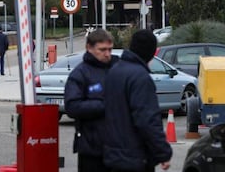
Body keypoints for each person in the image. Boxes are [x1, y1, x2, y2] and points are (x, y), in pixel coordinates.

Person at [104, 30, 172, 172]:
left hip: (112, 155)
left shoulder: (114, 71)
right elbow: (147, 119)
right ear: (151, 52)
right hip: (134, 156)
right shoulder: (140, 77)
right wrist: (163, 152)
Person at [64, 29, 119, 172]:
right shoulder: (80, 74)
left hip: (119, 148)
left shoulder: (117, 69)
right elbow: (72, 106)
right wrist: (105, 105)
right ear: (89, 48)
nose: (107, 54)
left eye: (110, 49)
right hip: (92, 149)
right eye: (102, 50)